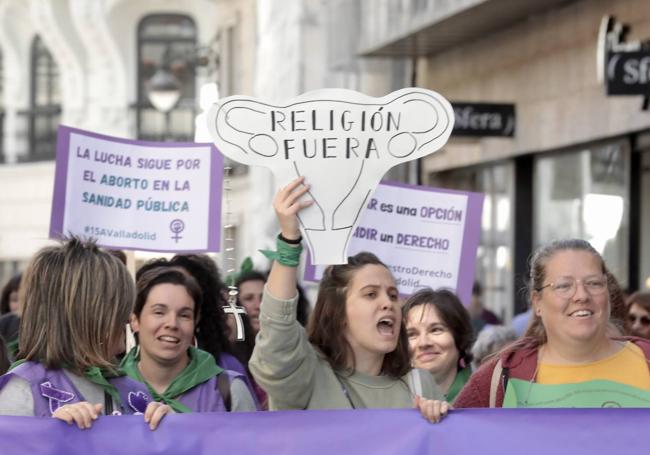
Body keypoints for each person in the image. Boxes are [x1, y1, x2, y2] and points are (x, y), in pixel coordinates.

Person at [248, 177, 448, 422]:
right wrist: (289, 240)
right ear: (338, 312)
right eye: (371, 294)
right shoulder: (307, 373)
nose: (388, 303)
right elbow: (278, 328)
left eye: (393, 295)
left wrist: (438, 422)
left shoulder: (418, 385)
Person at [455, 239, 650, 408]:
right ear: (537, 302)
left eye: (594, 283)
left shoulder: (645, 361)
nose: (581, 295)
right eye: (564, 286)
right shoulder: (501, 376)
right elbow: (452, 437)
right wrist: (434, 412)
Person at [0, 238, 170, 429]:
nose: (128, 320)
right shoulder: (23, 391)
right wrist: (50, 435)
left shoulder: (133, 393)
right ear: (89, 316)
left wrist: (171, 428)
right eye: (120, 309)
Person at [122, 266, 258, 412]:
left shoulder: (229, 390)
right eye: (159, 312)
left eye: (184, 315)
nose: (172, 324)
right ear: (135, 320)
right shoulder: (109, 390)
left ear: (196, 323)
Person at [403, 288, 475, 403]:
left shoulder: (487, 391)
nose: (423, 343)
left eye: (436, 330)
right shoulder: (389, 397)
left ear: (460, 336)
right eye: (412, 334)